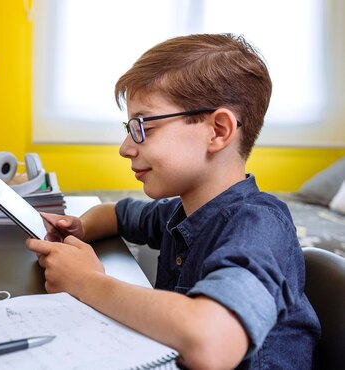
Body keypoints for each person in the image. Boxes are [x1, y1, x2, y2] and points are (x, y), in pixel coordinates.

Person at [26, 34, 320, 370]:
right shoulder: (183, 212)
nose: (125, 147)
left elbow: (211, 342)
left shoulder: (260, 225)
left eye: (143, 127)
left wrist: (87, 281)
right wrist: (80, 227)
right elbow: (118, 214)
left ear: (219, 131)